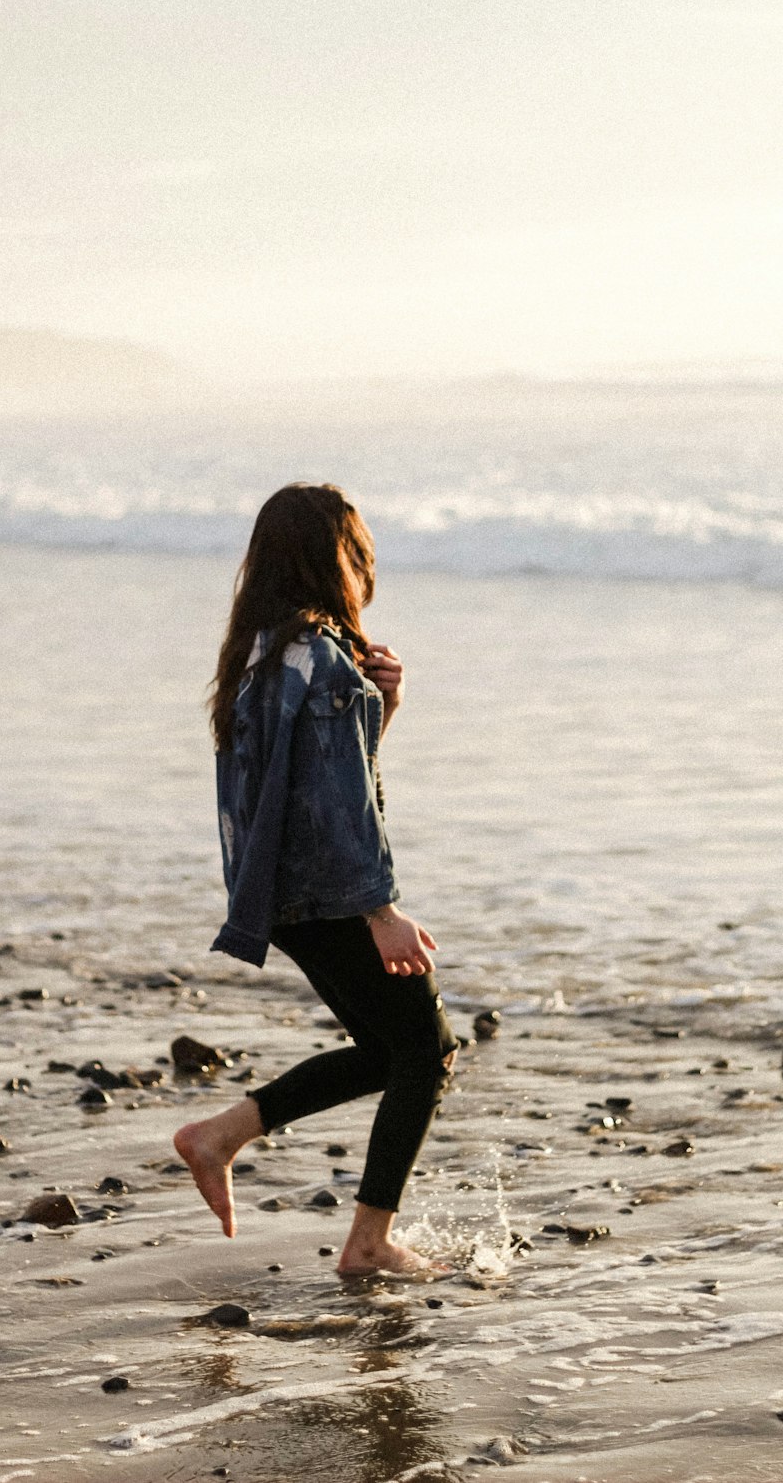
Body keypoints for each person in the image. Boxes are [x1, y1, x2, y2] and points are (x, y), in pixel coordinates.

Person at [174, 482, 459, 1277]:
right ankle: (367, 1244)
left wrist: (383, 706)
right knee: (428, 1050)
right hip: (331, 891)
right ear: (340, 560)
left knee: (390, 1049)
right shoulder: (324, 658)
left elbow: (306, 784)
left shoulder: (262, 652)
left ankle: (221, 1137)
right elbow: (340, 806)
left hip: (281, 893)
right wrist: (381, 910)